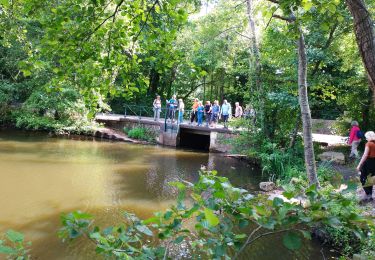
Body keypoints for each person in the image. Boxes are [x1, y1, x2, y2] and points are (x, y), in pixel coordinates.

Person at [356, 131, 375, 202]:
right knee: (370, 178)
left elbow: (365, 155)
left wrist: (359, 164)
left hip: (368, 162)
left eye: (366, 137)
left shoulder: (369, 143)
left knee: (363, 178)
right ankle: (369, 195)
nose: (366, 138)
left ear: (369, 137)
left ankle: (368, 194)